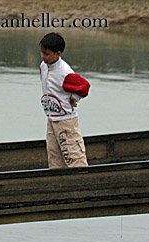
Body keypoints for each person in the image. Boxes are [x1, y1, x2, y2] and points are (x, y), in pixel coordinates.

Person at [39, 32, 90, 169]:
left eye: (47, 54)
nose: (43, 56)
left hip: (66, 120)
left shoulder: (65, 72)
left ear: (58, 53)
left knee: (73, 155)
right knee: (54, 155)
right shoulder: (43, 67)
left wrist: (75, 98)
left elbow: (84, 87)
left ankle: (82, 183)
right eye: (42, 52)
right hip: (51, 120)